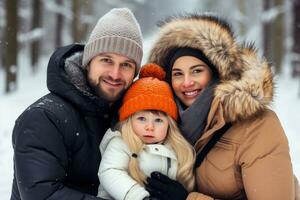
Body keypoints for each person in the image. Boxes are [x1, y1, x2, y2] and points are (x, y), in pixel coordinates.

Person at [145, 13, 300, 200]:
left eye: (196, 71)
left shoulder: (258, 126)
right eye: (178, 74)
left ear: (217, 73)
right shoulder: (161, 123)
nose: (186, 83)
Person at [10, 8, 143, 200]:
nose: (115, 74)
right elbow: (42, 194)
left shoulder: (130, 117)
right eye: (107, 60)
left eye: (126, 65)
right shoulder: (44, 117)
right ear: (88, 62)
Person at [96, 63, 195, 200]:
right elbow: (109, 172)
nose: (150, 127)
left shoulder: (176, 149)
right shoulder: (121, 143)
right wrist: (139, 197)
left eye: (158, 120)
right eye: (142, 119)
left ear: (169, 124)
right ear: (129, 120)